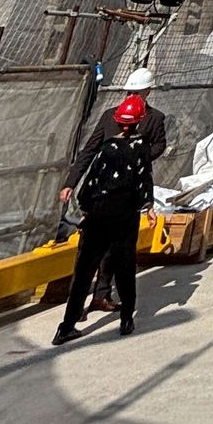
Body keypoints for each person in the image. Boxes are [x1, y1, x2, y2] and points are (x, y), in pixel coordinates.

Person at [64, 68, 169, 312]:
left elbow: (159, 147)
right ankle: (76, 306)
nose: (133, 96)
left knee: (114, 251)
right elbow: (89, 152)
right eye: (131, 92)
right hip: (103, 195)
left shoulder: (155, 119)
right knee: (88, 251)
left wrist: (138, 161)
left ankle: (101, 295)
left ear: (147, 92)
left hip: (126, 198)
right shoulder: (110, 116)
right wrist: (71, 182)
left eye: (137, 92)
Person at [53, 93, 155, 343]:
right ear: (139, 122)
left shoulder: (107, 147)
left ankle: (66, 326)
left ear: (118, 122)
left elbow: (90, 184)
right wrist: (148, 205)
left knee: (85, 270)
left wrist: (87, 208)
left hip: (98, 213)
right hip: (124, 214)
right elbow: (144, 179)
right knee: (125, 266)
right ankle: (126, 320)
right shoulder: (141, 148)